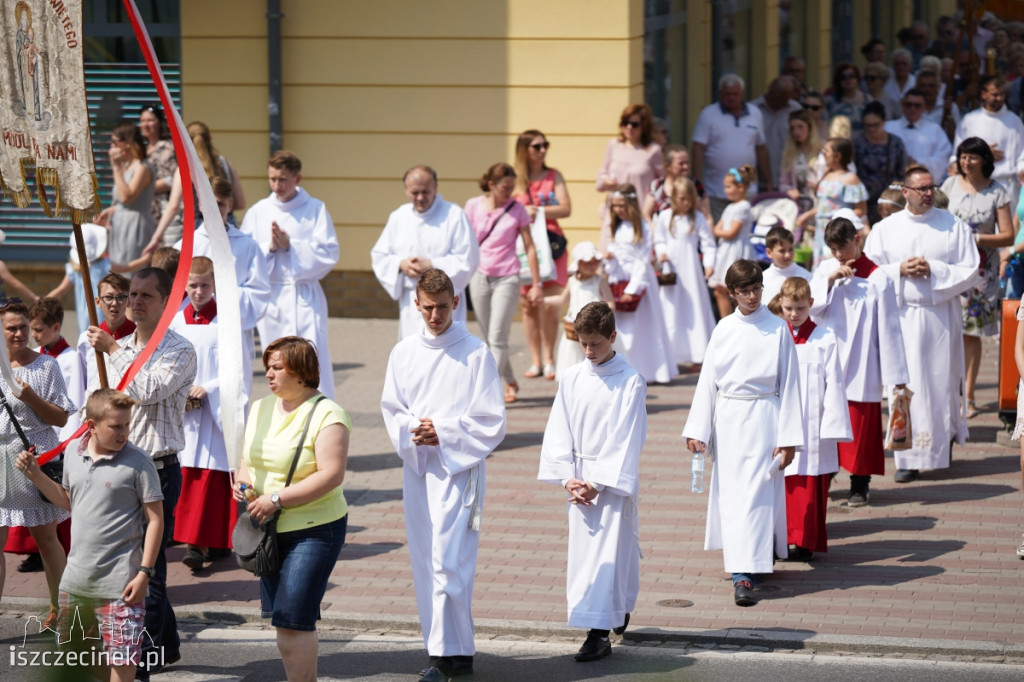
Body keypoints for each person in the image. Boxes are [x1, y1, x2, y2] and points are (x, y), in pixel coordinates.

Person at [380, 269, 506, 682]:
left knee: (451, 560)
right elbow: (392, 409)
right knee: (425, 558)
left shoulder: (474, 352)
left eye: (443, 306)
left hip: (458, 467)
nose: (435, 315)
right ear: (415, 304)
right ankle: (443, 650)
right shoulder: (403, 352)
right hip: (419, 467)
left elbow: (491, 419)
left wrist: (445, 431)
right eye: (427, 307)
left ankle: (454, 650)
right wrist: (414, 430)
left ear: (456, 302)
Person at [84, 267, 197, 679]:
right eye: (132, 294)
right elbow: (101, 405)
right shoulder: (118, 345)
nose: (134, 302)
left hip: (156, 470)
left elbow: (144, 391)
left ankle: (140, 669)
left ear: (166, 300)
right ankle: (163, 644)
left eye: (146, 295)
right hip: (115, 469)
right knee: (121, 569)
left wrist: (113, 350)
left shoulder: (179, 348)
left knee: (146, 575)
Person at [16, 389, 163, 682]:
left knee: (123, 666)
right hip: (76, 583)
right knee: (76, 658)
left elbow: (156, 520)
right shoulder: (72, 452)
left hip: (121, 585)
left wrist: (145, 572)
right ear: (92, 426)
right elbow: (70, 500)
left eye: (127, 425)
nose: (124, 433)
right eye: (116, 426)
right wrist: (35, 475)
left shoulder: (138, 462)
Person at [682, 260, 803, 607]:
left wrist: (789, 437)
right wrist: (698, 429)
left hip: (766, 416)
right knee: (735, 496)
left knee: (759, 493)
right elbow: (709, 381)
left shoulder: (778, 328)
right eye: (745, 291)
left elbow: (791, 384)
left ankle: (751, 565)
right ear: (732, 293)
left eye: (757, 288)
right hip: (731, 419)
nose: (752, 296)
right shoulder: (723, 328)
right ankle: (742, 573)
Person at [233, 336, 350, 682]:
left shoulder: (328, 413)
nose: (268, 374)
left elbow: (331, 475)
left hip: (315, 528)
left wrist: (276, 499)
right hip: (269, 529)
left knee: (291, 619)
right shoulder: (260, 407)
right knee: (287, 619)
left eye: (276, 367)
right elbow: (247, 459)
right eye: (266, 366)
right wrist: (244, 483)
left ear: (300, 371)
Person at [538, 301, 646, 662]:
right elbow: (559, 429)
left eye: (596, 343)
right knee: (587, 558)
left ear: (613, 337)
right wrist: (569, 477)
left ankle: (598, 633)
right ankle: (610, 615)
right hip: (580, 481)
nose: (588, 351)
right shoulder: (572, 377)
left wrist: (598, 483)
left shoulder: (630, 381)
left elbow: (626, 437)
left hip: (609, 483)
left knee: (613, 552)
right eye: (583, 343)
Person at [863, 166, 980, 483]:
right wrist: (899, 269)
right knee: (903, 386)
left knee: (939, 384)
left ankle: (941, 448)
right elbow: (869, 272)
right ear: (905, 192)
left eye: (931, 187)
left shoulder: (952, 225)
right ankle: (907, 456)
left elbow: (970, 268)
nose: (928, 194)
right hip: (900, 317)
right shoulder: (886, 229)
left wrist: (934, 270)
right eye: (921, 189)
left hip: (939, 314)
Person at [811, 217, 909, 506]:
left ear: (857, 239)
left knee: (860, 427)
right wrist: (829, 281)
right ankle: (824, 476)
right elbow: (810, 305)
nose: (839, 255)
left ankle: (859, 483)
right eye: (833, 249)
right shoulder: (825, 270)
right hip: (828, 358)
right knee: (822, 422)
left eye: (842, 247)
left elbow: (889, 328)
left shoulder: (878, 277)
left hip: (862, 361)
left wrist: (895, 374)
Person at [0, 300, 76, 628]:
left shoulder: (46, 366)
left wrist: (30, 396)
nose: (19, 333)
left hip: (34, 455)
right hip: (0, 458)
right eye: (11, 328)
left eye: (23, 327)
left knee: (46, 538)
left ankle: (59, 608)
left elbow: (60, 418)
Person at [241, 150, 339, 400]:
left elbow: (329, 252)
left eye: (283, 179)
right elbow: (244, 257)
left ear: (297, 178)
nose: (277, 185)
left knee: (311, 358)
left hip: (304, 297)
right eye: (272, 179)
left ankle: (318, 413)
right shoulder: (258, 211)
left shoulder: (315, 209)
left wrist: (291, 245)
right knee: (277, 362)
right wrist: (270, 248)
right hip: (272, 298)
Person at [173, 177, 271, 400]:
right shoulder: (186, 245)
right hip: (191, 334)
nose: (215, 210)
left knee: (230, 401)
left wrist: (220, 295)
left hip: (231, 334)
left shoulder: (247, 245)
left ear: (230, 205)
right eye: (209, 204)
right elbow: (172, 296)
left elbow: (259, 293)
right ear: (200, 205)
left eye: (220, 204)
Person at [776, 277, 851, 561]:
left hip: (813, 423)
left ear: (811, 304)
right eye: (788, 308)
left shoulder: (824, 338)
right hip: (782, 419)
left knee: (809, 483)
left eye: (799, 308)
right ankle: (780, 539)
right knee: (782, 481)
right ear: (780, 305)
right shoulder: (775, 337)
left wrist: (831, 424)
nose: (794, 314)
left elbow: (835, 383)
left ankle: (805, 541)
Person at [168, 258, 234, 571]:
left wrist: (208, 387)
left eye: (205, 285)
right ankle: (195, 540)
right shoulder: (176, 321)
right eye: (193, 285)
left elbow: (238, 370)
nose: (198, 291)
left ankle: (204, 542)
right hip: (184, 413)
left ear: (214, 285)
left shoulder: (227, 321)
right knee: (186, 474)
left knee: (210, 477)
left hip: (211, 412)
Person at [940, 137, 1013, 417]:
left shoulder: (998, 191)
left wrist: (977, 238)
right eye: (962, 156)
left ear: (985, 160)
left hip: (982, 274)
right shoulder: (948, 186)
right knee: (948, 331)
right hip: (950, 270)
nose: (966, 161)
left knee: (972, 334)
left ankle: (968, 396)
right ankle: (947, 393)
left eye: (972, 156)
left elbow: (1007, 234)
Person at [371, 165, 479, 340]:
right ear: (406, 190)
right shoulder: (399, 217)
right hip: (412, 303)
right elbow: (380, 255)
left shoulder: (454, 215)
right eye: (415, 193)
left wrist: (432, 265)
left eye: (426, 191)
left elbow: (468, 259)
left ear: (435, 188)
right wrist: (400, 264)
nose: (420, 197)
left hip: (444, 304)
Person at [465, 163, 542, 403]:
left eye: (511, 188)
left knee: (497, 338)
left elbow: (529, 246)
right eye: (504, 188)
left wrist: (537, 283)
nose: (509, 192)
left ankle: (486, 394)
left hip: (507, 277)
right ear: (491, 185)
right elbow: (463, 239)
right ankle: (510, 379)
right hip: (478, 275)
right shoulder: (473, 206)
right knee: (488, 337)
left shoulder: (517, 210)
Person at [513, 130, 573, 380]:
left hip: (552, 248)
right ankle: (535, 360)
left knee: (549, 306)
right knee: (529, 307)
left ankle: (550, 358)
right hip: (525, 249)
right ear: (525, 150)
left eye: (544, 145)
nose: (542, 150)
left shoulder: (553, 176)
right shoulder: (516, 180)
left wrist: (539, 211)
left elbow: (566, 208)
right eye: (536, 146)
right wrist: (522, 211)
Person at [603, 184, 675, 384]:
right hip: (620, 278)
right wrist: (610, 258)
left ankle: (647, 368)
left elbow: (643, 260)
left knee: (641, 327)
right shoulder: (616, 226)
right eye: (615, 206)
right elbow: (616, 250)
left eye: (622, 205)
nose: (619, 209)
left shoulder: (643, 226)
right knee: (622, 329)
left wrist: (633, 289)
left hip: (638, 281)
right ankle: (623, 367)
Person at [654, 176, 716, 368]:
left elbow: (708, 243)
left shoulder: (697, 218)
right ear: (673, 197)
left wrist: (709, 263)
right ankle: (671, 353)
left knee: (694, 308)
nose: (685, 203)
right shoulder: (665, 216)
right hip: (671, 270)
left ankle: (697, 353)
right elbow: (659, 239)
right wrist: (662, 253)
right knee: (670, 308)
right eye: (681, 198)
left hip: (691, 270)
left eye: (689, 199)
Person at [692, 75, 770, 222]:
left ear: (742, 94)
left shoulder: (755, 113)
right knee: (717, 231)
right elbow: (697, 149)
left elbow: (761, 149)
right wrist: (698, 183)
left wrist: (768, 182)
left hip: (746, 190)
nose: (731, 98)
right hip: (716, 191)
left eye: (735, 94)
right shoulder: (708, 114)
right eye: (727, 94)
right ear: (721, 94)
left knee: (744, 230)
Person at [544, 242, 616, 381]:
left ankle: (596, 380)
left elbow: (610, 303)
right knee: (573, 357)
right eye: (587, 263)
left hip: (595, 327)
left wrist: (602, 314)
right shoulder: (572, 281)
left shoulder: (599, 281)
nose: (591, 266)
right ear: (578, 263)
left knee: (593, 352)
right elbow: (562, 300)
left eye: (594, 262)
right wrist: (544, 300)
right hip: (574, 327)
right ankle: (575, 382)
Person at [952, 75, 1024, 207]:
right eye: (995, 95)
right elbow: (958, 151)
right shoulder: (970, 120)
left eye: (1002, 94)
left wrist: (1022, 169)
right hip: (976, 184)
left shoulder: (1014, 121)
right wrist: (984, 153)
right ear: (984, 94)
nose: (999, 98)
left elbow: (1021, 154)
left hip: (1006, 184)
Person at [597, 103, 664, 244]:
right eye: (625, 123)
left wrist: (651, 207)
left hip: (639, 214)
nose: (629, 127)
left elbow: (661, 182)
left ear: (644, 126)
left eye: (634, 124)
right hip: (615, 213)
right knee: (611, 255)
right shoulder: (614, 145)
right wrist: (605, 179)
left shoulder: (653, 150)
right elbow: (602, 172)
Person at [98, 122, 155, 270]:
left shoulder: (142, 168)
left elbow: (126, 197)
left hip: (135, 225)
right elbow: (121, 202)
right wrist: (110, 210)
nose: (112, 147)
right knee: (117, 271)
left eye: (115, 142)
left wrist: (116, 168)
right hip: (119, 224)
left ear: (128, 143)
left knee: (130, 271)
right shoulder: (126, 166)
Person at [803, 137, 868, 265]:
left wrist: (838, 220)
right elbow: (824, 205)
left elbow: (861, 209)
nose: (823, 155)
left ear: (837, 156)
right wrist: (807, 215)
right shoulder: (826, 175)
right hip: (821, 230)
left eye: (826, 151)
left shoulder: (850, 179)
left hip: (837, 231)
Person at [709, 166, 755, 318]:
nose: (725, 190)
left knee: (738, 291)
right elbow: (718, 229)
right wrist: (719, 232)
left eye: (728, 187)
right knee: (719, 290)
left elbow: (731, 232)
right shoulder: (730, 207)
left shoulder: (744, 206)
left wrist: (719, 232)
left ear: (740, 187)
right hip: (725, 252)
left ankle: (742, 321)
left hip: (736, 251)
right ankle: (725, 323)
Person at [76, 273, 134, 391]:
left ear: (128, 302)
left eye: (121, 297)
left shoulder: (138, 337)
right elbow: (79, 386)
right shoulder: (87, 338)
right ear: (98, 302)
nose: (114, 303)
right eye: (108, 297)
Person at [854, 102, 909, 225]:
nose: (872, 129)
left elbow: (903, 173)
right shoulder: (857, 143)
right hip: (865, 202)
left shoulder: (895, 143)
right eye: (868, 125)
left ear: (884, 122)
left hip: (889, 202)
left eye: (875, 125)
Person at [884, 89, 953, 183]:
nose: (913, 108)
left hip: (921, 184)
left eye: (917, 105)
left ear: (924, 107)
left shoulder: (935, 130)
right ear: (902, 105)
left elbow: (942, 158)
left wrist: (918, 162)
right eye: (909, 104)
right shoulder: (888, 127)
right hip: (892, 183)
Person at [753, 76, 803, 189]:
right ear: (772, 93)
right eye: (783, 98)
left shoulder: (795, 109)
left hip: (789, 182)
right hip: (758, 181)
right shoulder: (753, 110)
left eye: (788, 97)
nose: (787, 101)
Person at [642, 145, 709, 222]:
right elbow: (646, 214)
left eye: (687, 162)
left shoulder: (696, 186)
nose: (686, 167)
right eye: (681, 163)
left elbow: (707, 217)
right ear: (668, 166)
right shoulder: (657, 185)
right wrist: (656, 232)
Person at [138, 103, 177, 224]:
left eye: (150, 120)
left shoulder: (167, 147)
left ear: (160, 123)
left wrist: (137, 189)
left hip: (162, 211)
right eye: (142, 120)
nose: (145, 124)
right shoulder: (141, 148)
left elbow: (170, 180)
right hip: (144, 210)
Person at [779, 109, 823, 202]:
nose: (796, 131)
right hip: (800, 202)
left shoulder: (823, 149)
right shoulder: (789, 153)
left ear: (810, 128)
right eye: (793, 128)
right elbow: (783, 183)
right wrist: (789, 190)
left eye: (800, 126)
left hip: (820, 201)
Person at [761, 227, 811, 303]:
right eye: (782, 251)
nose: (787, 255)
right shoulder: (763, 279)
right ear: (769, 252)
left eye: (791, 249)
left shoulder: (805, 276)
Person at [826, 63, 868, 134]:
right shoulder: (829, 101)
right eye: (843, 77)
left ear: (858, 78)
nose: (848, 79)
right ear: (838, 81)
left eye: (851, 76)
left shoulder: (868, 99)